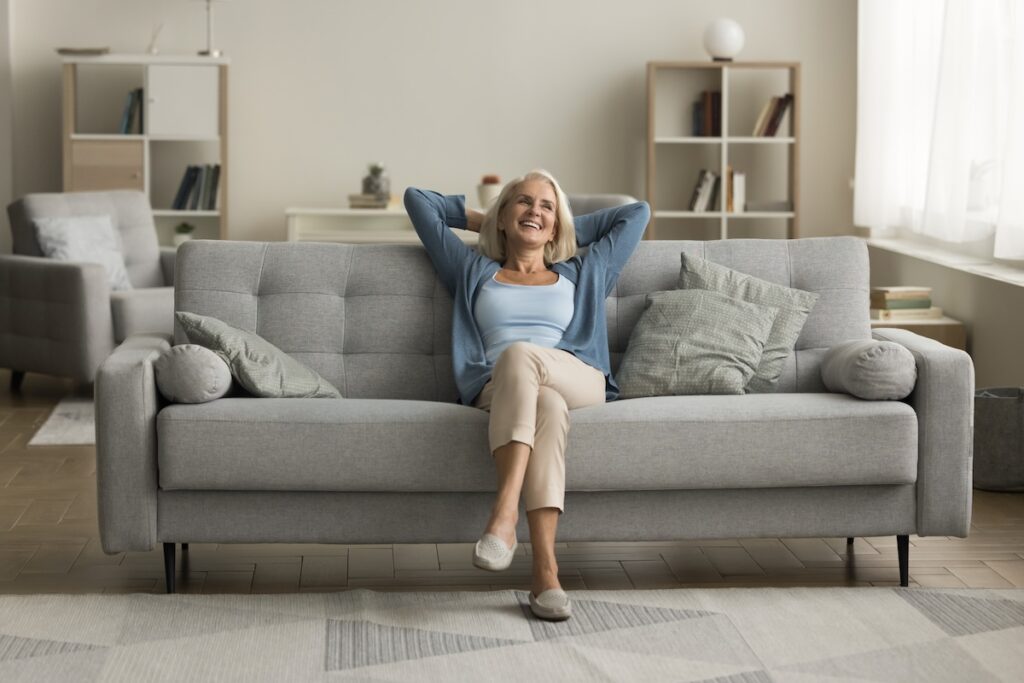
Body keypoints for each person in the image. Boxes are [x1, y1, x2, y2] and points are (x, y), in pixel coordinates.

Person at [404, 170, 650, 621]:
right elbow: (418, 200)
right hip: (499, 389)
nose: (534, 211)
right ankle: (545, 575)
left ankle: (503, 515)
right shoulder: (472, 269)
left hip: (576, 376)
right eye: (522, 202)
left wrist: (563, 224)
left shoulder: (583, 271)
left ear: (558, 225)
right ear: (502, 215)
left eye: (546, 206)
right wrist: (491, 218)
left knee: (524, 357)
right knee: (546, 406)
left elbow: (637, 213)